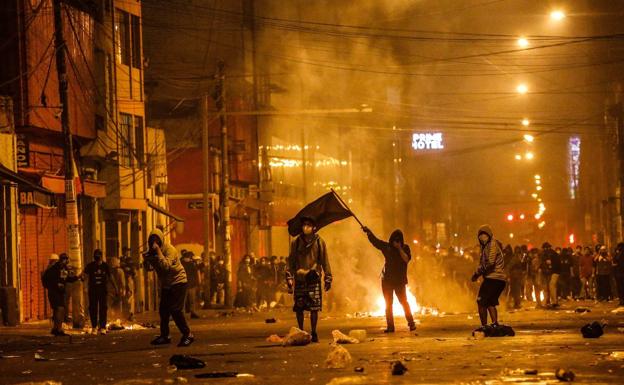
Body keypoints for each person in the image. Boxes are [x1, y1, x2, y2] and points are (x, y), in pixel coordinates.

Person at [144, 228, 194, 347]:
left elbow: (166, 266)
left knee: (176, 310)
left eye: (157, 240)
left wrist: (158, 252)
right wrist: (147, 259)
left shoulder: (170, 250)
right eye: (152, 241)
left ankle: (188, 334)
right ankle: (165, 335)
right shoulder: (153, 251)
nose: (154, 243)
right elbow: (150, 269)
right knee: (163, 310)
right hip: (167, 284)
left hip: (178, 282)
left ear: (161, 240)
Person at [286, 217, 332, 342]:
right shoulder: (296, 242)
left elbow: (324, 260)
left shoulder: (319, 242)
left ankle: (314, 331)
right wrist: (289, 277)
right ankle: (301, 330)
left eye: (308, 225)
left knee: (314, 308)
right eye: (304, 224)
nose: (306, 227)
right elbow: (291, 261)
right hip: (300, 278)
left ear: (314, 227)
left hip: (313, 278)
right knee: (299, 307)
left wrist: (328, 278)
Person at [363, 226, 416, 333]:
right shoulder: (387, 247)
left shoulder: (405, 248)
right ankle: (390, 327)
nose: (396, 242)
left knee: (404, 302)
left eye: (398, 240)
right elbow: (376, 242)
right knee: (388, 304)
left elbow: (406, 259)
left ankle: (411, 323)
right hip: (387, 281)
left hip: (400, 282)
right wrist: (369, 232)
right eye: (395, 239)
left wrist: (399, 248)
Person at [471, 225, 506, 327]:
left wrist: (477, 274)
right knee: (490, 302)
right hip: (497, 279)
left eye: (484, 235)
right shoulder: (486, 246)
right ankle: (494, 324)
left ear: (489, 235)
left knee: (481, 301)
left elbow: (490, 262)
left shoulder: (492, 245)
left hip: (493, 278)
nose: (482, 237)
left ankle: (484, 326)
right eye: (480, 235)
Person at [41, 253, 79, 336]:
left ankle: (56, 328)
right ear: (61, 260)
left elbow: (67, 279)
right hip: (53, 292)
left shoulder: (64, 269)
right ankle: (58, 329)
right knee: (60, 308)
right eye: (64, 260)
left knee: (58, 309)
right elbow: (48, 280)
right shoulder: (54, 269)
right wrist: (57, 284)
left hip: (60, 292)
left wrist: (77, 277)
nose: (65, 262)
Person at [83, 249, 114, 334]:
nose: (97, 259)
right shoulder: (90, 266)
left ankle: (102, 327)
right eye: (96, 257)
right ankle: (94, 327)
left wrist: (115, 287)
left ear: (101, 257)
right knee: (93, 308)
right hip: (92, 290)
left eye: (99, 257)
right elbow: (85, 276)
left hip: (103, 290)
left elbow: (110, 277)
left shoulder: (105, 266)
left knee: (103, 308)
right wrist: (85, 287)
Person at [181, 251, 200, 319]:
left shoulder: (188, 264)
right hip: (188, 285)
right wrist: (197, 283)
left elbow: (195, 274)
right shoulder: (190, 264)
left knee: (185, 300)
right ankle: (191, 312)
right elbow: (196, 275)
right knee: (188, 300)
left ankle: (185, 313)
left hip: (186, 284)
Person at [120, 247, 137, 320]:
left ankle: (130, 314)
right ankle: (126, 313)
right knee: (124, 296)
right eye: (126, 251)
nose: (127, 252)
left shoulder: (129, 260)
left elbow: (133, 271)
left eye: (127, 251)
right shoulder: (121, 259)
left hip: (128, 278)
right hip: (123, 279)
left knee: (130, 296)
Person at [613, 242, 624, 306]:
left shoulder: (619, 254)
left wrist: (616, 265)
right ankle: (621, 301)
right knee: (620, 288)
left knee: (620, 288)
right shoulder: (618, 253)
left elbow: (616, 262)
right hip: (618, 274)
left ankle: (621, 301)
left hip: (620, 273)